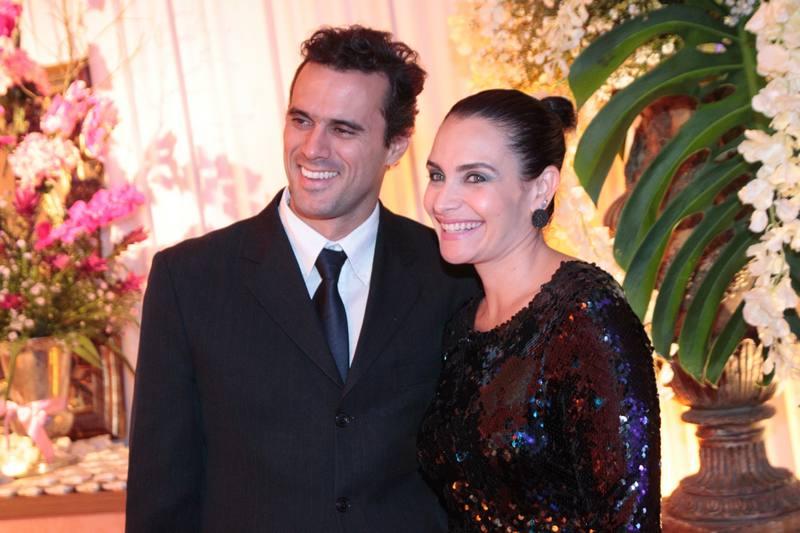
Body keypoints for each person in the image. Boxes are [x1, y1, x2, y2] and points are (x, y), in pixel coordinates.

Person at [126, 26, 475, 532]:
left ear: (396, 146)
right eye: (301, 120)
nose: (313, 148)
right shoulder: (190, 279)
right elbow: (161, 495)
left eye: (344, 130)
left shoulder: (451, 275)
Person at [417, 89, 661, 532]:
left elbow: (629, 518)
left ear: (542, 188)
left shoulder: (586, 314)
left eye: (475, 177)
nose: (442, 200)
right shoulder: (461, 323)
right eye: (437, 175)